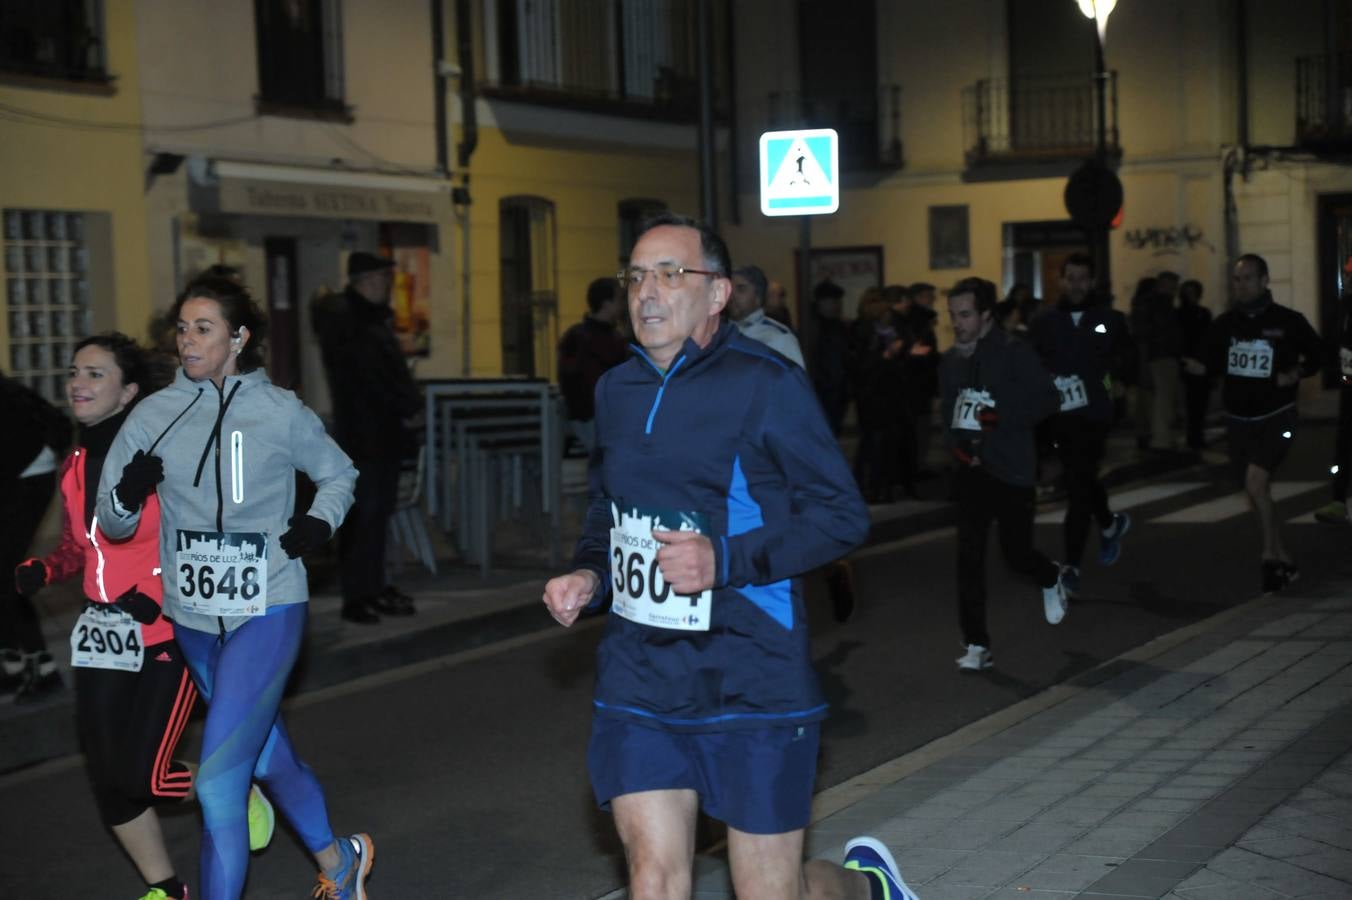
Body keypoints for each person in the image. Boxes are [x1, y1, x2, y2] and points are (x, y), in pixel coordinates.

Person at [541, 214, 916, 900]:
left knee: (770, 891)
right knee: (653, 878)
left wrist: (723, 560)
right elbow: (607, 508)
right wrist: (590, 574)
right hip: (640, 671)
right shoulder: (616, 390)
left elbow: (841, 516)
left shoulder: (766, 383)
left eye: (669, 274)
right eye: (636, 276)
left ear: (717, 293)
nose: (646, 292)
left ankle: (866, 888)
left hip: (750, 671)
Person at [97, 276, 372, 900]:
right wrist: (127, 495)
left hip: (268, 605)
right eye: (182, 329)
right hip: (194, 619)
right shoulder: (153, 415)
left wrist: (318, 521)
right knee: (268, 757)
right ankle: (341, 860)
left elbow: (339, 475)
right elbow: (110, 522)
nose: (187, 341)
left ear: (239, 338)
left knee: (220, 783)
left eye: (204, 329)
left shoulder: (279, 410)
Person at [14, 333, 276, 900]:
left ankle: (235, 786)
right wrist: (47, 568)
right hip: (103, 634)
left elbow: (196, 538)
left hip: (166, 634)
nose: (78, 383)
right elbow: (81, 546)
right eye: (75, 372)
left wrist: (158, 595)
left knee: (147, 776)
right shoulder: (76, 464)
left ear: (129, 392)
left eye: (95, 374)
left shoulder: (157, 460)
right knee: (108, 778)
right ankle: (166, 889)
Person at [941, 277, 1069, 672]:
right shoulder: (951, 360)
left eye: (965, 315)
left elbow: (1049, 398)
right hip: (972, 472)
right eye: (952, 315)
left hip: (1012, 467)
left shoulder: (1015, 352)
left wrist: (1002, 417)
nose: (957, 323)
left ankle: (1049, 575)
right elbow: (950, 411)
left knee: (1016, 554)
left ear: (986, 315)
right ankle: (977, 644)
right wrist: (958, 448)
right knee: (968, 559)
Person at [1186, 254, 1323, 592]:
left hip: (1277, 416)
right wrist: (1198, 367)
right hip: (1238, 421)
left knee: (1256, 482)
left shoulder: (1288, 321)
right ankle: (1283, 558)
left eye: (1248, 278)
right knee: (1256, 490)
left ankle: (1269, 557)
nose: (1241, 284)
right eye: (1237, 279)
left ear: (1264, 281)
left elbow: (1319, 356)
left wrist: (1295, 372)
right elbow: (1210, 362)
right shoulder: (1225, 325)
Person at [312, 251, 422, 624]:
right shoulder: (350, 322)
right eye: (383, 278)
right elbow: (372, 378)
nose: (388, 286)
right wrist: (407, 403)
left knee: (377, 516)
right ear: (365, 281)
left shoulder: (369, 319)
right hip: (364, 435)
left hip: (382, 433)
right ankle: (358, 595)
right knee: (363, 517)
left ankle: (374, 588)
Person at [1027, 253, 1136, 596]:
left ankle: (1072, 566)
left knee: (1077, 486)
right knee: (1082, 478)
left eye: (1082, 278)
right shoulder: (1044, 322)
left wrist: (1119, 379)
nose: (1076, 285)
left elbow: (1127, 356)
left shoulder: (1109, 319)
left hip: (1095, 416)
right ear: (1061, 280)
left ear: (1092, 281)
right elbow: (1030, 362)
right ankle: (1108, 523)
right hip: (1060, 416)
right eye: (1070, 278)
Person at [0, 367, 71, 700]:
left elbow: (57, 424)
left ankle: (42, 666)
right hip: (22, 475)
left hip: (27, 479)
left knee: (6, 574)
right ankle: (12, 663)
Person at [559, 276, 630, 454]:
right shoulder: (607, 340)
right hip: (596, 416)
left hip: (595, 416)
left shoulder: (577, 336)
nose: (623, 305)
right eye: (619, 299)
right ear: (606, 304)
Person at [1315, 287, 1352, 525]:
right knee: (1344, 445)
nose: (1348, 278)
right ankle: (1338, 501)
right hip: (1349, 387)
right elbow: (1331, 341)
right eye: (1347, 274)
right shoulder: (1343, 306)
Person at [728, 264, 805, 367]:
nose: (731, 296)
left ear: (758, 297)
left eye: (741, 289)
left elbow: (794, 376)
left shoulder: (779, 337)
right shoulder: (719, 331)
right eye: (729, 289)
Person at [810, 279, 852, 436]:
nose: (838, 305)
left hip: (835, 388)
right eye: (834, 301)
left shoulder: (836, 325)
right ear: (822, 302)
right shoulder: (814, 327)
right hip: (824, 389)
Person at [1177, 279, 1214, 451]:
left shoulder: (1203, 313)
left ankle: (1196, 435)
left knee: (1200, 402)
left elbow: (1209, 338)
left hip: (1202, 362)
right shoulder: (1180, 314)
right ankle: (1193, 436)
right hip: (1186, 360)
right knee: (1191, 402)